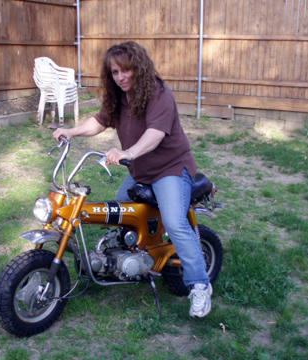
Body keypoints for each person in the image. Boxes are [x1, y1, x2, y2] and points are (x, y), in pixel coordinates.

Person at [53, 41, 212, 318]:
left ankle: (200, 285)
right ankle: (133, 260)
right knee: (118, 213)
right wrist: (72, 131)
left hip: (170, 169)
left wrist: (128, 152)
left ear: (139, 68)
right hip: (141, 171)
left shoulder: (159, 94)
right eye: (115, 72)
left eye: (126, 70)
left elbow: (155, 134)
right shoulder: (119, 97)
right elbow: (100, 121)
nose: (121, 77)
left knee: (175, 222)